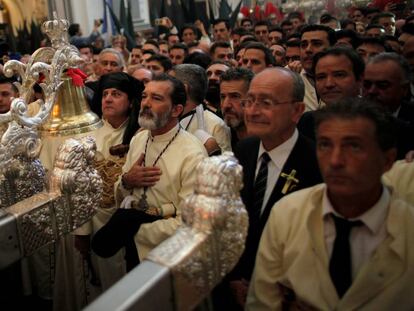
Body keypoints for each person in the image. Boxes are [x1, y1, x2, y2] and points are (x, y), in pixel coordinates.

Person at [246, 97, 414, 310]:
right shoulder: (287, 213)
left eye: (353, 146)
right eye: (325, 145)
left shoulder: (408, 231)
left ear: (388, 160)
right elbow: (262, 303)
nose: (335, 161)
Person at [228, 67, 322, 309]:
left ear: (297, 110)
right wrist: (236, 277)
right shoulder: (244, 150)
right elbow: (236, 222)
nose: (253, 111)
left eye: (266, 102)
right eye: (249, 101)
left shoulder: (316, 162)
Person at [99, 74, 207, 265]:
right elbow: (121, 189)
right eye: (144, 96)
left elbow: (190, 223)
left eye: (156, 98)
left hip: (167, 257)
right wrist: (127, 181)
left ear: (176, 110)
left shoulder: (193, 154)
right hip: (133, 249)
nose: (146, 104)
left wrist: (134, 228)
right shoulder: (139, 139)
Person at [171, 64, 231, 154]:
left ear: (184, 89)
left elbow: (223, 166)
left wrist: (211, 148)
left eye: (169, 83)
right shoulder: (164, 119)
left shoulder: (216, 125)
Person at [289, 25, 336, 111]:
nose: (308, 49)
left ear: (333, 47)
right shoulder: (288, 76)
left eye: (316, 44)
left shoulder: (346, 76)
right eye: (304, 45)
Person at [219, 67, 254, 150]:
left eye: (235, 96)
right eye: (223, 97)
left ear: (252, 99)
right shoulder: (220, 136)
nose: (226, 105)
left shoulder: (267, 141)